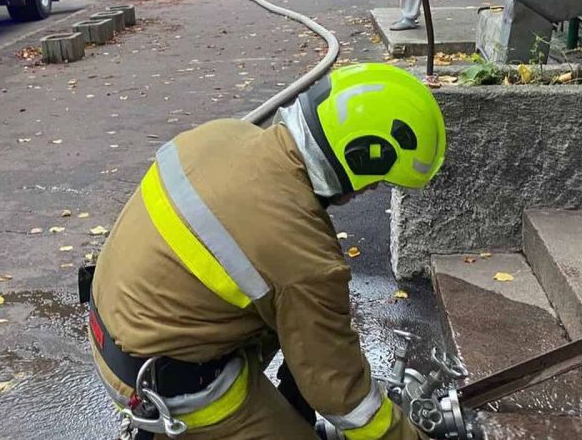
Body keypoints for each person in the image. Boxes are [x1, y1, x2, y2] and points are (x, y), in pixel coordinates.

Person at [85, 63, 446, 440]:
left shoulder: (227, 134)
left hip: (113, 328)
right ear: (357, 156)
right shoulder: (302, 254)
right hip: (167, 385)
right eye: (376, 181)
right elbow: (343, 398)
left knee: (298, 319)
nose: (370, 192)